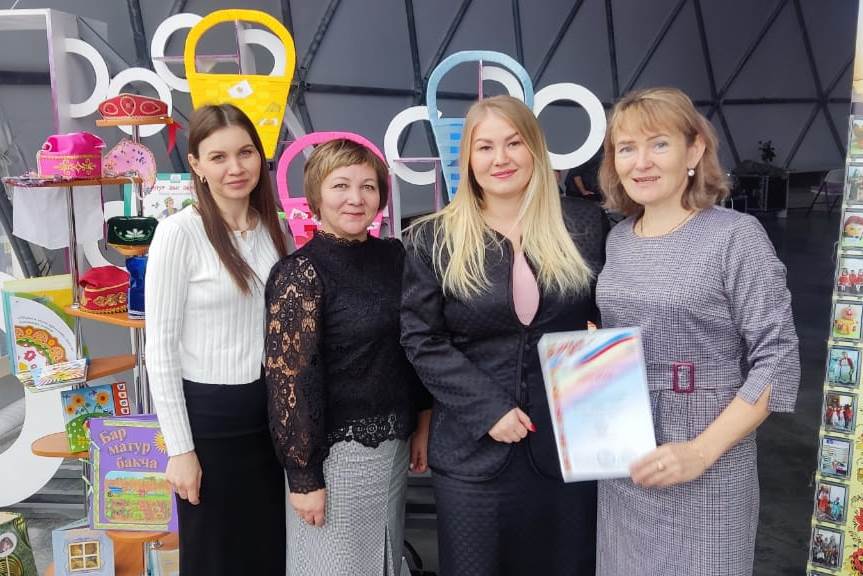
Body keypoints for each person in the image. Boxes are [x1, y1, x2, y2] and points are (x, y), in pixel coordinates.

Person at [594, 87, 799, 576]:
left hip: (708, 452)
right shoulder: (618, 239)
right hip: (627, 453)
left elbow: (778, 358)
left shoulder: (735, 237)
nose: (641, 162)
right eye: (627, 148)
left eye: (659, 144)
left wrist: (700, 452)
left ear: (694, 151)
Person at [400, 95, 607, 576]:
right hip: (474, 455)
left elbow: (609, 313)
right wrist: (487, 408)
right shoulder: (432, 237)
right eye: (485, 147)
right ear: (468, 160)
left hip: (568, 450)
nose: (501, 158)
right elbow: (421, 338)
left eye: (514, 143)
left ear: (534, 148)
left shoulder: (584, 226)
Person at [264, 138, 432, 576]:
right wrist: (304, 477)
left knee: (384, 559)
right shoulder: (299, 273)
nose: (355, 198)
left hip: (394, 447)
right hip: (334, 457)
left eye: (367, 186)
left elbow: (413, 347)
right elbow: (290, 383)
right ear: (316, 195)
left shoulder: (395, 256)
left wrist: (422, 423)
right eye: (340, 185)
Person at [146, 103, 289, 575]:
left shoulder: (273, 228)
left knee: (267, 552)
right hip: (209, 422)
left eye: (245, 153)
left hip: (267, 418)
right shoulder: (178, 233)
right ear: (196, 165)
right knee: (215, 556)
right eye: (219, 157)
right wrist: (180, 450)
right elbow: (160, 351)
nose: (235, 167)